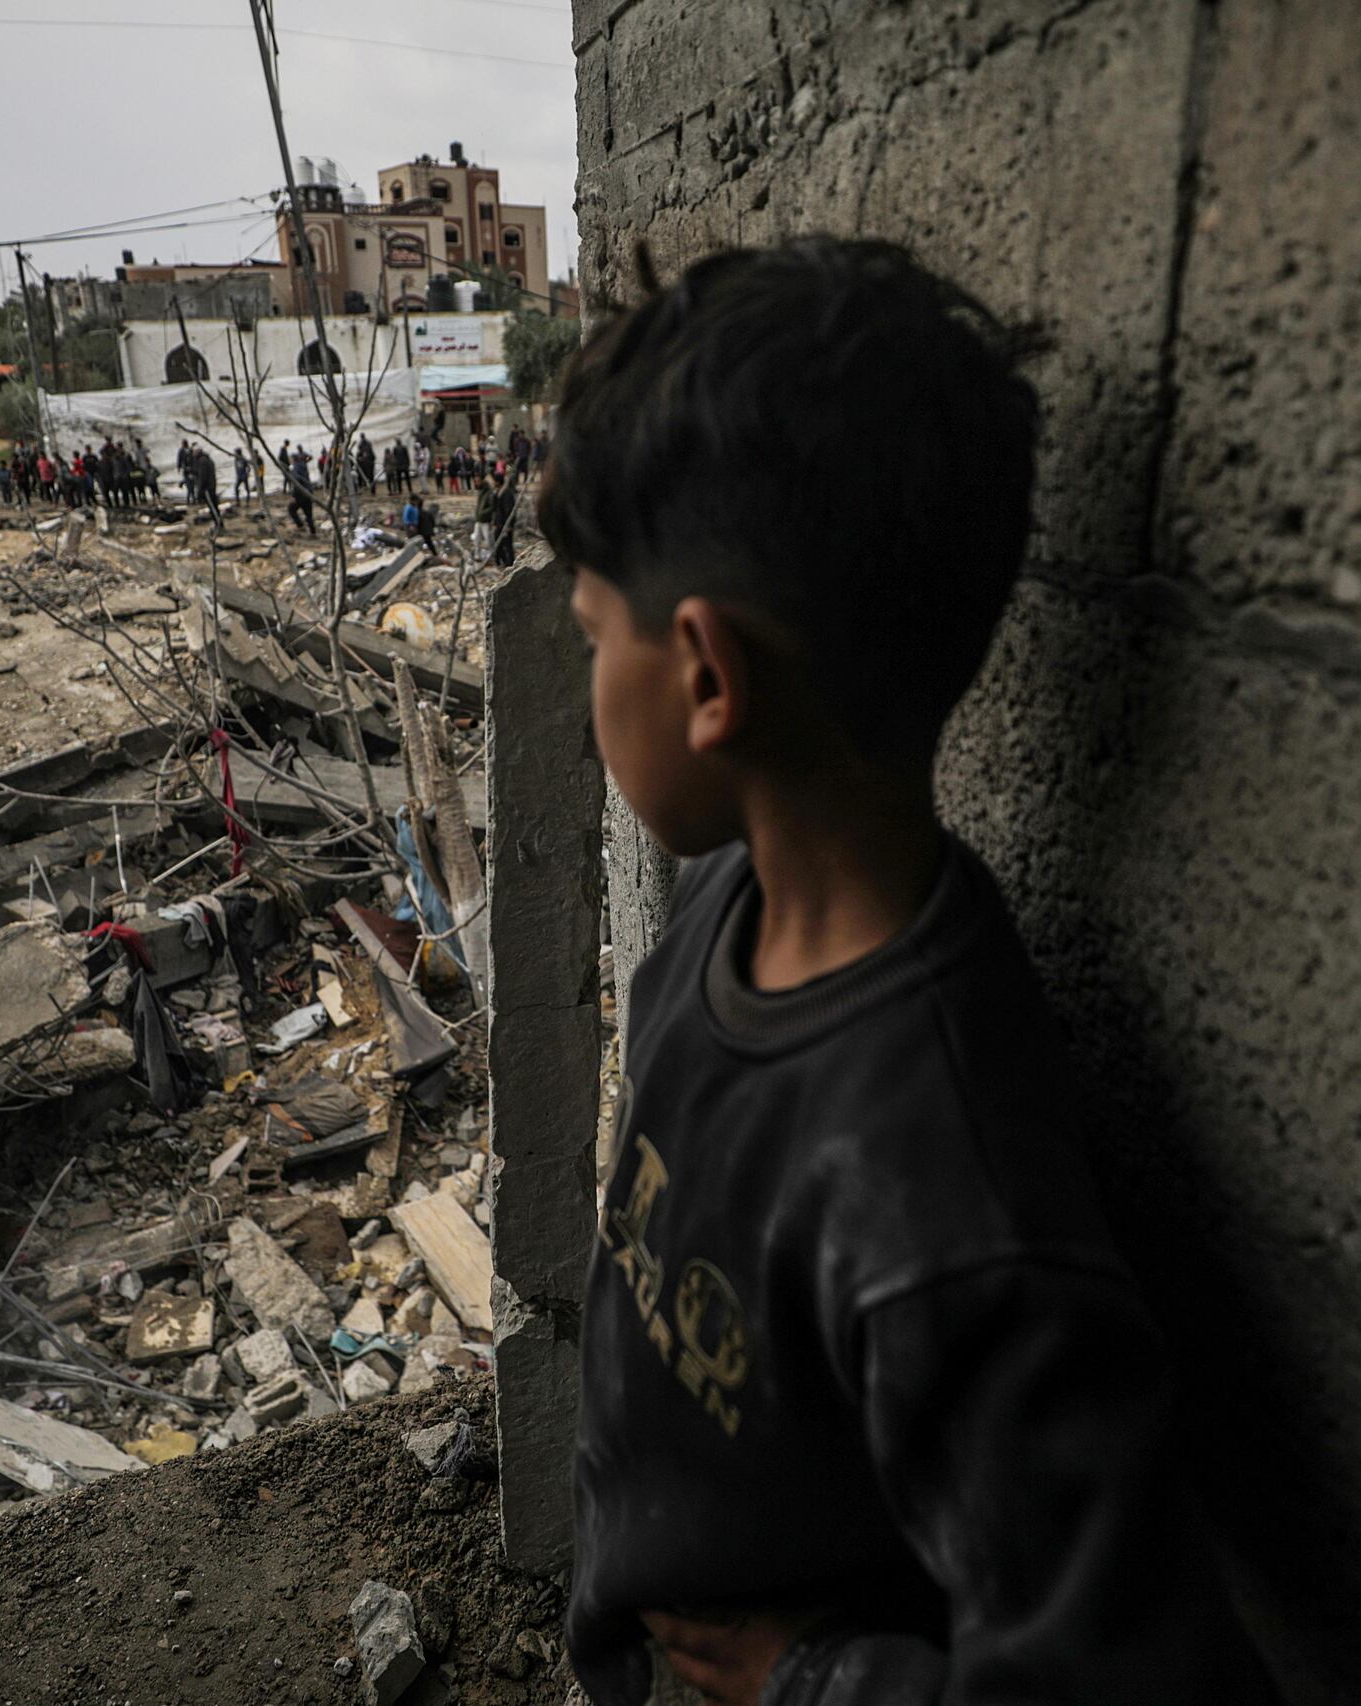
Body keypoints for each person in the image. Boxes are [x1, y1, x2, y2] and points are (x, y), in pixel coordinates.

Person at [545, 239, 1273, 1706]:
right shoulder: (723, 904)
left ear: (704, 678)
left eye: (587, 633)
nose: (581, 676)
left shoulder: (949, 1202)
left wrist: (815, 1680)